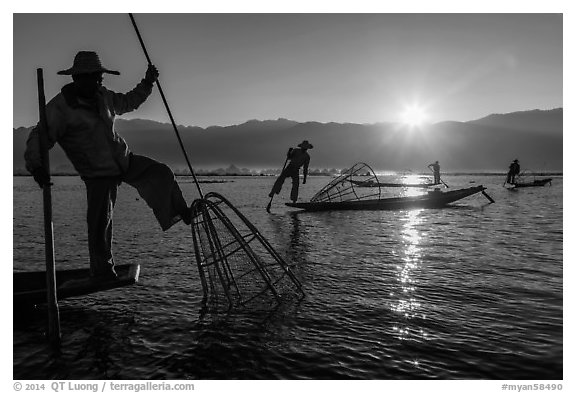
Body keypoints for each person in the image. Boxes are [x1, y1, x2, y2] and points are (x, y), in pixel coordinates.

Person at [24, 51, 191, 279]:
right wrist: (36, 166)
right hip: (97, 174)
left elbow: (129, 101)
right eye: (96, 77)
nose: (100, 81)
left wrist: (147, 82)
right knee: (100, 224)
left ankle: (181, 211)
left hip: (123, 160)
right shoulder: (60, 108)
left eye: (100, 77)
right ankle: (102, 271)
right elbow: (39, 136)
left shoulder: (104, 96)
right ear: (78, 79)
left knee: (162, 173)